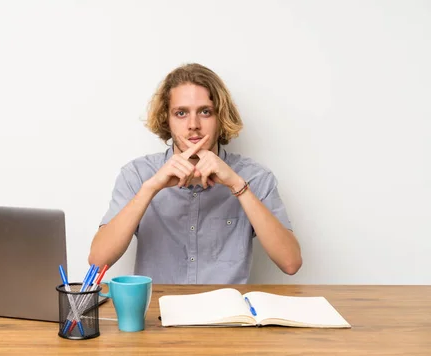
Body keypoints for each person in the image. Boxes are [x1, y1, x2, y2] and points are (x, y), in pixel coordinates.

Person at [88, 63, 302, 284]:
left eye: (205, 112)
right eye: (181, 113)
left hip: (226, 314)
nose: (193, 125)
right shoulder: (137, 174)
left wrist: (238, 186)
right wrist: (150, 189)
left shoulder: (255, 177)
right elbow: (97, 261)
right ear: (167, 120)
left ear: (221, 118)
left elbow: (290, 263)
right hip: (158, 312)